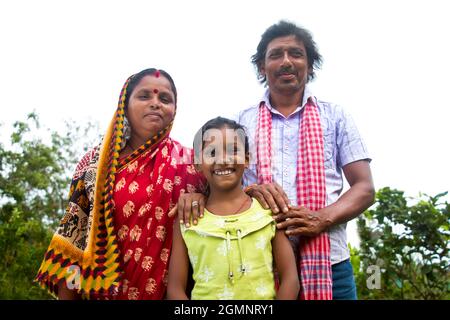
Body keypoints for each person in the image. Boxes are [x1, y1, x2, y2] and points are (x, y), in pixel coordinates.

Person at [174, 21, 375, 300]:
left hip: (329, 262)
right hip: (259, 265)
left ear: (310, 64)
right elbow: (224, 178)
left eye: (296, 53)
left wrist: (321, 218)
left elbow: (364, 188)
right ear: (261, 67)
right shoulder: (243, 120)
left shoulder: (335, 116)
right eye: (276, 54)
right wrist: (197, 195)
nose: (286, 61)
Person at [35, 68, 205, 300]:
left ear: (175, 109)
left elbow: (229, 203)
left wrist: (202, 198)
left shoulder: (195, 164)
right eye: (144, 96)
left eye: (165, 99)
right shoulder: (94, 165)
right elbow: (73, 243)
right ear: (124, 105)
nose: (155, 103)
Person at [167, 117, 299, 300]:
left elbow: (290, 279)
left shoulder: (268, 212)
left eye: (233, 150)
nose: (223, 159)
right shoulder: (188, 219)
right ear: (198, 163)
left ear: (246, 159)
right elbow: (175, 290)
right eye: (212, 152)